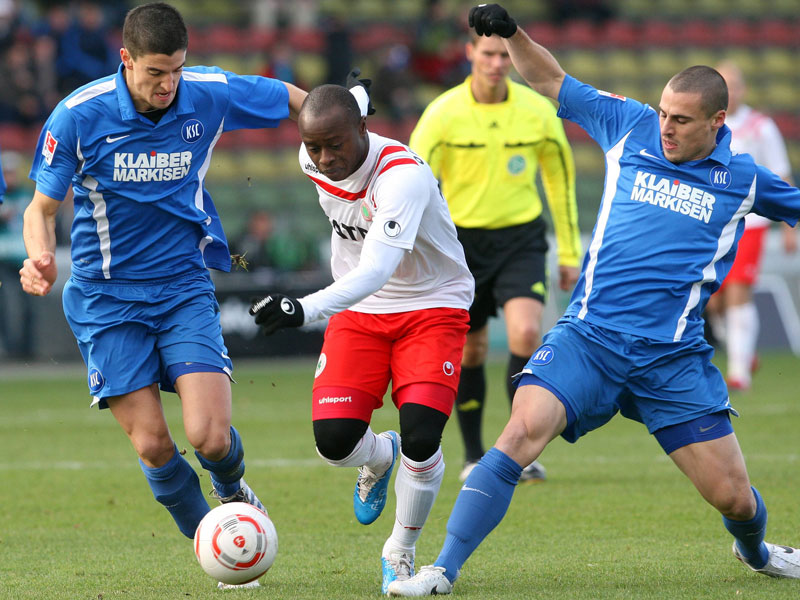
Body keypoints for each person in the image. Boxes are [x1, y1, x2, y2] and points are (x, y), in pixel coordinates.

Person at [388, 4, 800, 596]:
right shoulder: (630, 126)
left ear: (717, 120)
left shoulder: (743, 178)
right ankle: (440, 570)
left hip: (670, 359)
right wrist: (512, 33)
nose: (666, 127)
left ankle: (757, 551)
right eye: (663, 113)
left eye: (682, 120)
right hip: (589, 338)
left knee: (734, 496)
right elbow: (551, 79)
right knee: (518, 436)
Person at [19, 2, 306, 589]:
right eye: (155, 72)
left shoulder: (207, 92)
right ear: (124, 60)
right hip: (105, 299)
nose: (167, 84)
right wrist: (39, 257)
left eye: (175, 69)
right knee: (154, 445)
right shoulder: (78, 115)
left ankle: (231, 488)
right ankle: (220, 546)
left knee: (210, 437)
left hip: (182, 288)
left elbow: (292, 100)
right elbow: (40, 208)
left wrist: (347, 121)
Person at [248, 80, 474, 594]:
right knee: (333, 443)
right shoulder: (317, 152)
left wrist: (302, 308)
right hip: (361, 310)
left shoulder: (403, 179)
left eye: (336, 145)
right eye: (314, 147)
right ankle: (378, 457)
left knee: (422, 433)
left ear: (364, 130)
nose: (325, 159)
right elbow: (344, 107)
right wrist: (358, 91)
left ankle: (400, 550)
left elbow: (376, 270)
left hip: (431, 304)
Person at [409, 31, 581, 483]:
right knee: (473, 349)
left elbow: (559, 181)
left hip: (522, 238)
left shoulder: (538, 111)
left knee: (526, 333)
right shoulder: (442, 114)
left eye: (505, 54)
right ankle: (472, 454)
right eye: (487, 53)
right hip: (461, 244)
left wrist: (568, 251)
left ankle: (513, 451)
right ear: (469, 53)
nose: (497, 62)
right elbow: (410, 181)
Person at [704, 60, 797, 391]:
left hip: (751, 221)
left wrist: (790, 226)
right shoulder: (707, 125)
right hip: (713, 220)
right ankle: (745, 351)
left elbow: (781, 173)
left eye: (733, 85)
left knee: (738, 289)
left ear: (742, 88)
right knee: (713, 300)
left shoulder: (760, 126)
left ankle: (739, 373)